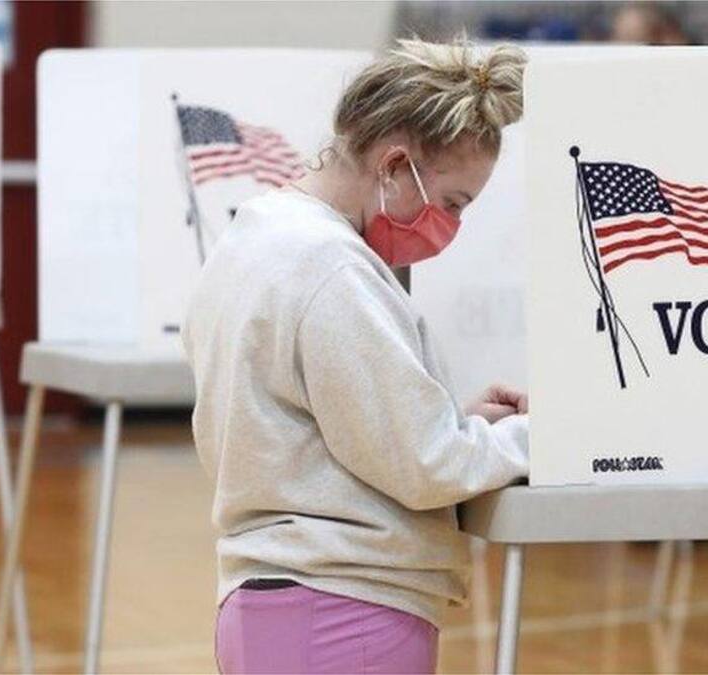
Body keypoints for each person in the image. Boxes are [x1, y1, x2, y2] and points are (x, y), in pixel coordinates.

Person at [183, 38, 530, 673]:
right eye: (453, 203)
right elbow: (427, 465)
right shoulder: (332, 268)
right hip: (346, 611)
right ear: (395, 164)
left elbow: (327, 431)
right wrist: (541, 437)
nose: (449, 224)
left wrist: (454, 421)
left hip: (274, 605)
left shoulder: (255, 235)